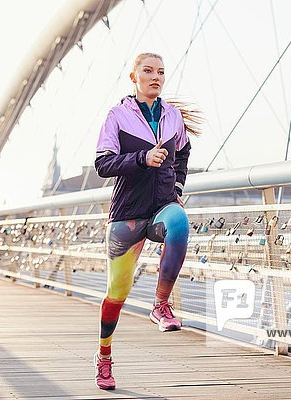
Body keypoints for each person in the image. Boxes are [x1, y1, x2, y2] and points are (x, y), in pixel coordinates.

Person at [92, 52, 201, 390]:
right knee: (117, 293)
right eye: (148, 71)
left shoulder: (172, 117)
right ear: (133, 76)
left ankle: (161, 304)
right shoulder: (118, 116)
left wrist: (178, 185)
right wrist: (142, 157)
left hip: (161, 207)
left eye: (161, 72)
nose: (156, 77)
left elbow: (183, 151)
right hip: (127, 215)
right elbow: (103, 164)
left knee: (180, 222)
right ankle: (104, 356)